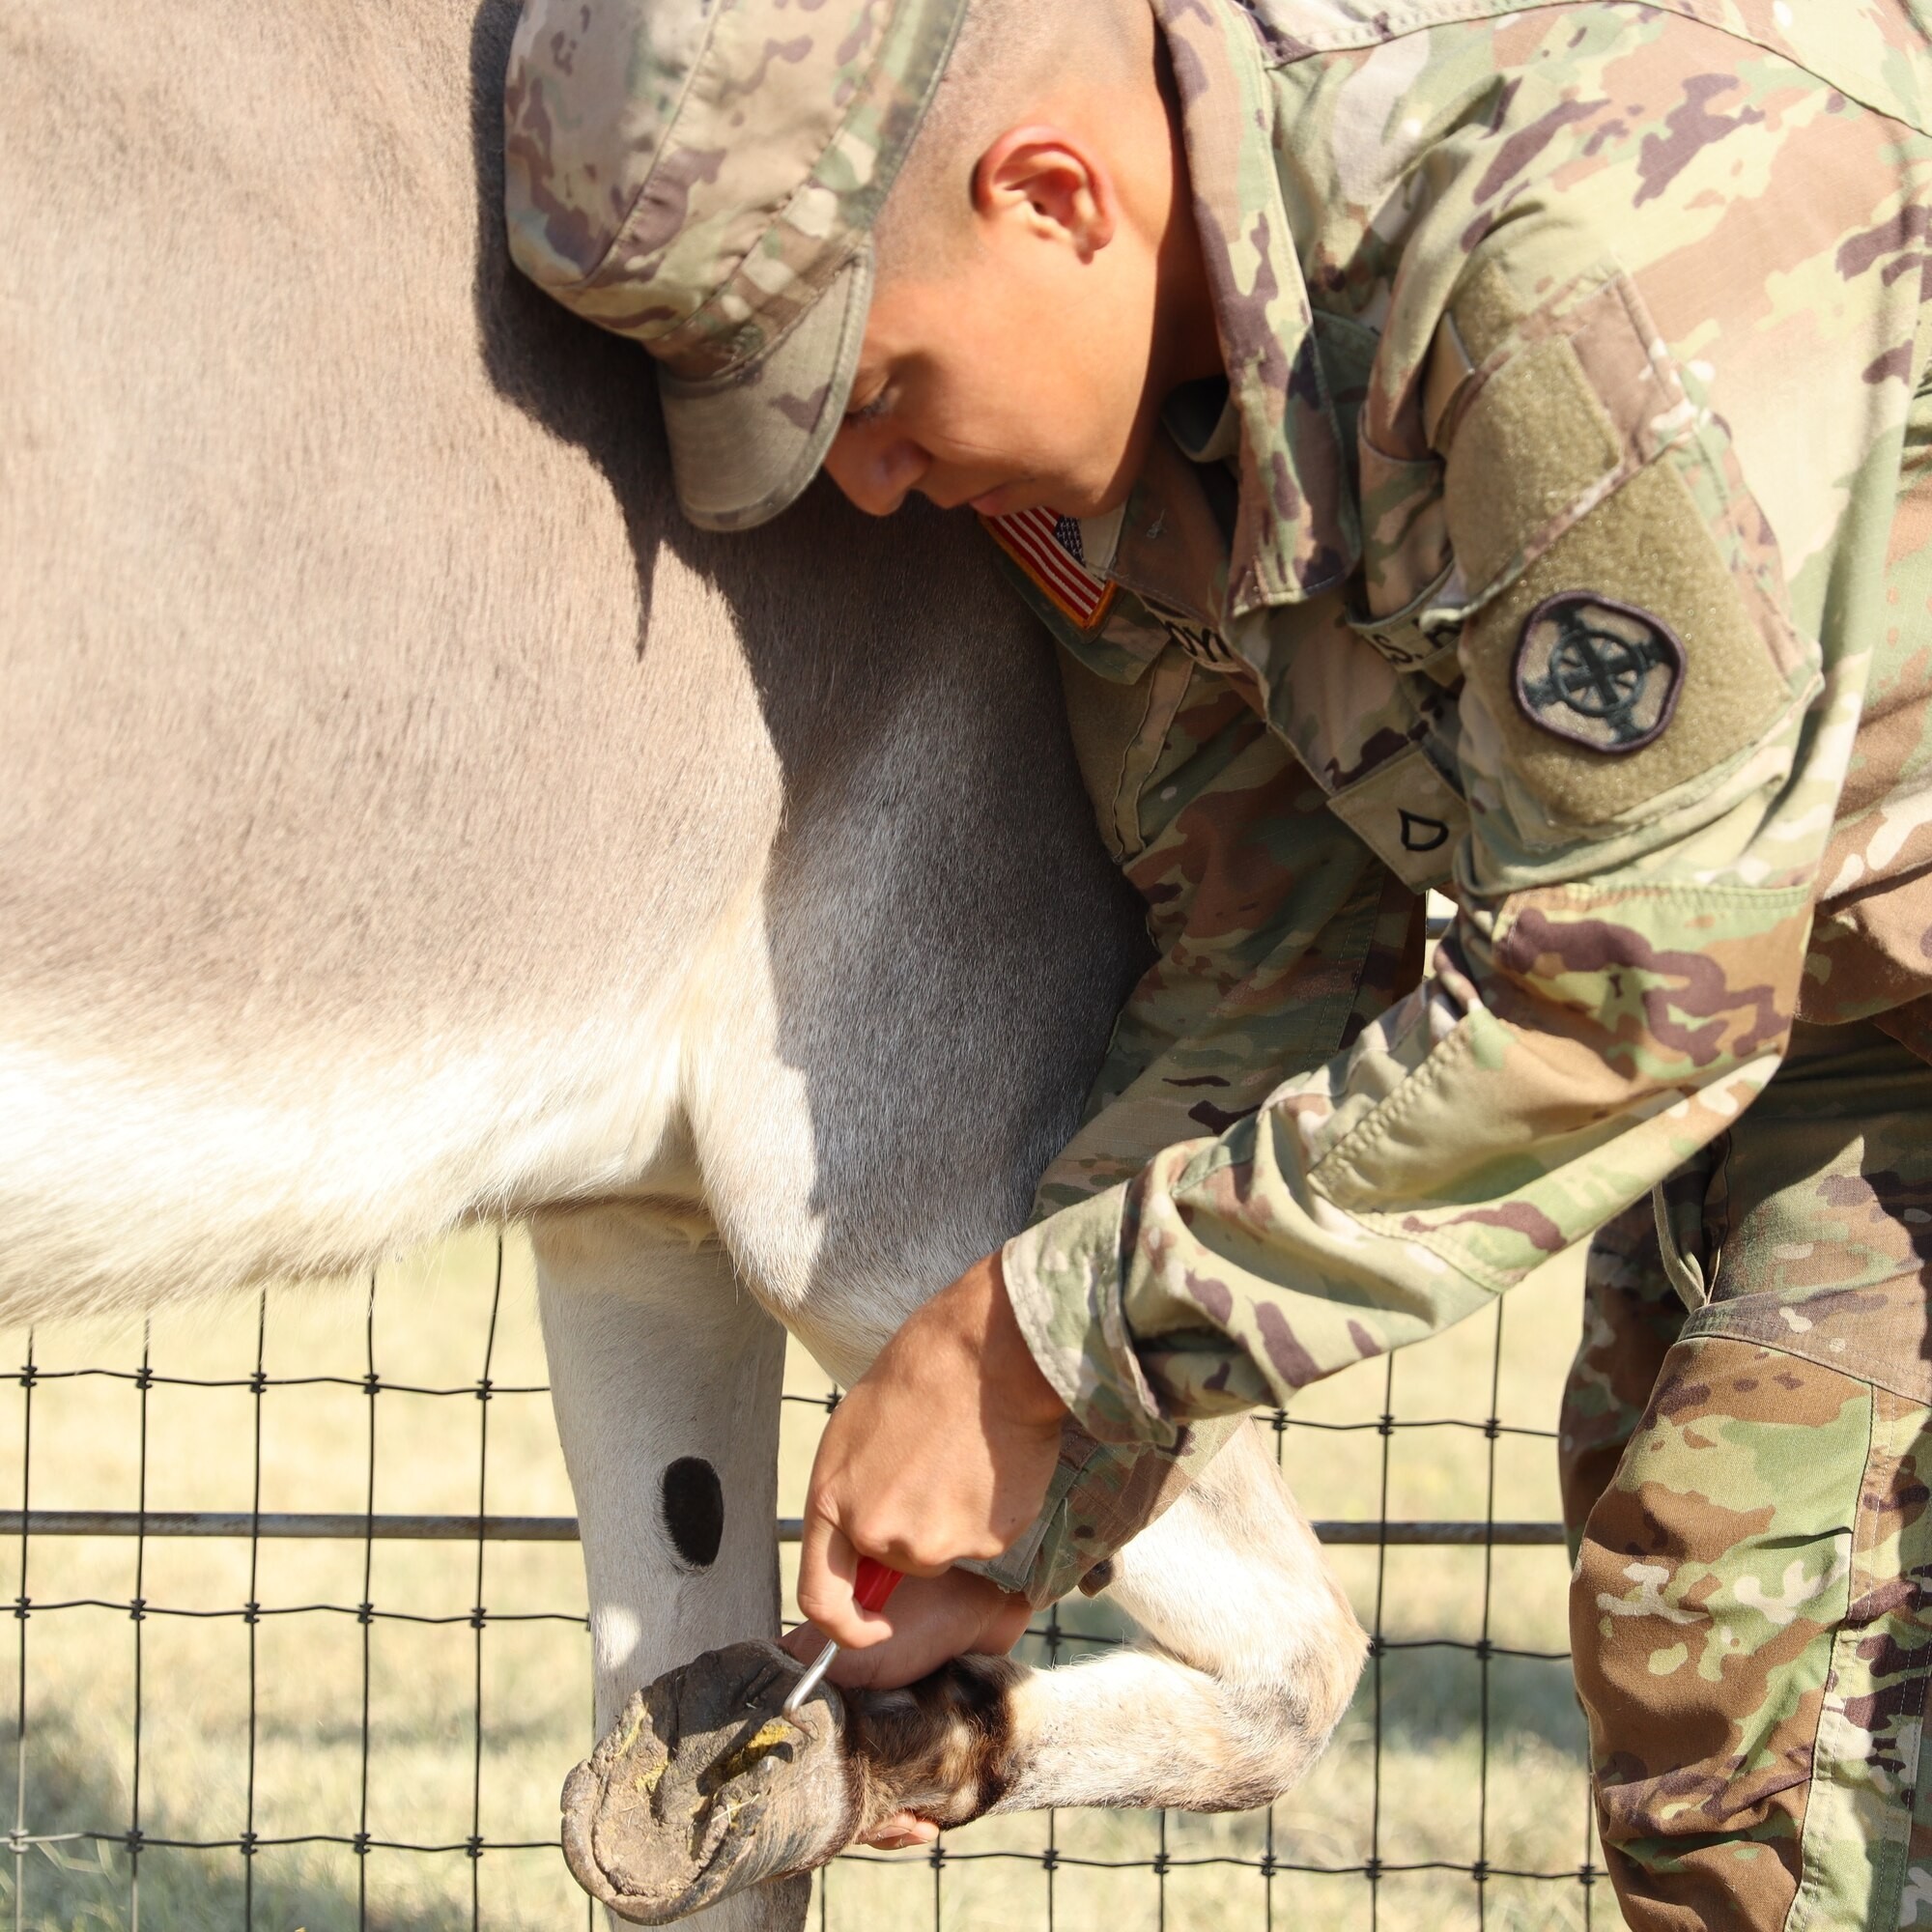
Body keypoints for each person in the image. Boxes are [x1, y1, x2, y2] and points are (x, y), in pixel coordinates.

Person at [503, 0, 1932, 1920]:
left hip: (1762, 985)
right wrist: (1032, 1498)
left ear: (1049, 194)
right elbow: (1258, 975)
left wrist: (1021, 1355)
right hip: (1818, 978)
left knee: (1775, 1737)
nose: (863, 487)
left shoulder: (1568, 251)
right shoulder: (1142, 453)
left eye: (870, 390)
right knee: (1699, 1646)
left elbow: (1631, 989)